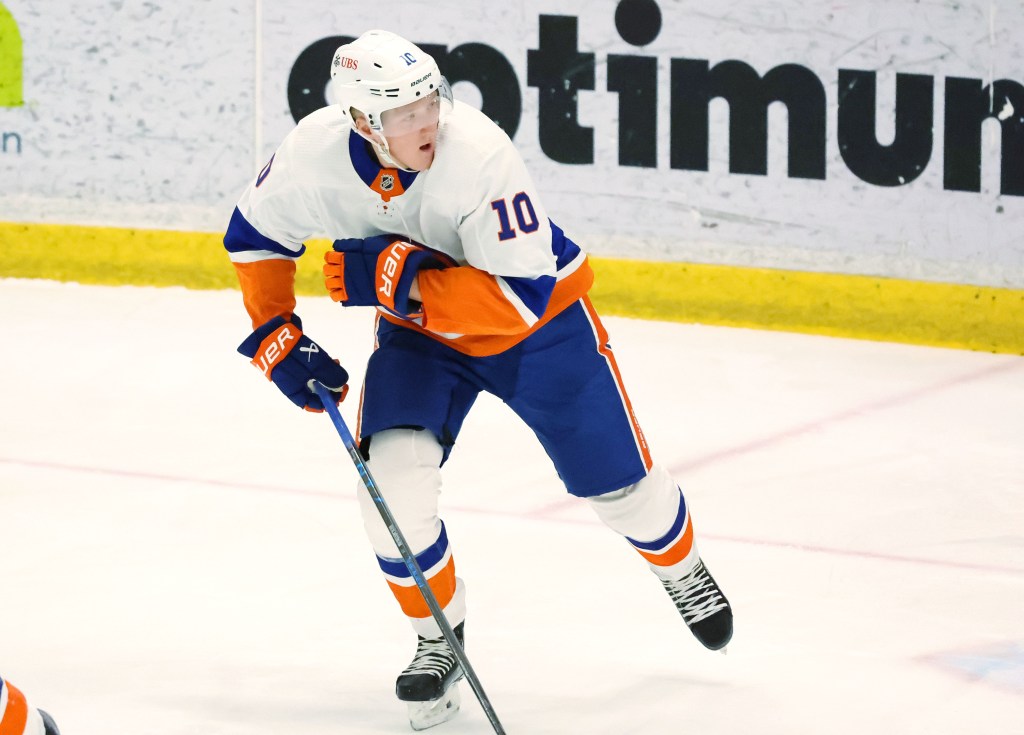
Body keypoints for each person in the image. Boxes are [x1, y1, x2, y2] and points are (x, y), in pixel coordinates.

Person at [225, 29, 732, 729]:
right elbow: (253, 232)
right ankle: (438, 640)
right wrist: (275, 333)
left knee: (624, 492)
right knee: (391, 490)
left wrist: (398, 278)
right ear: (363, 122)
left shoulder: (481, 155)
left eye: (430, 100)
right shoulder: (314, 154)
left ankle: (681, 568)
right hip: (423, 339)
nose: (426, 120)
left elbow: (517, 302)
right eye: (404, 114)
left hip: (540, 327)